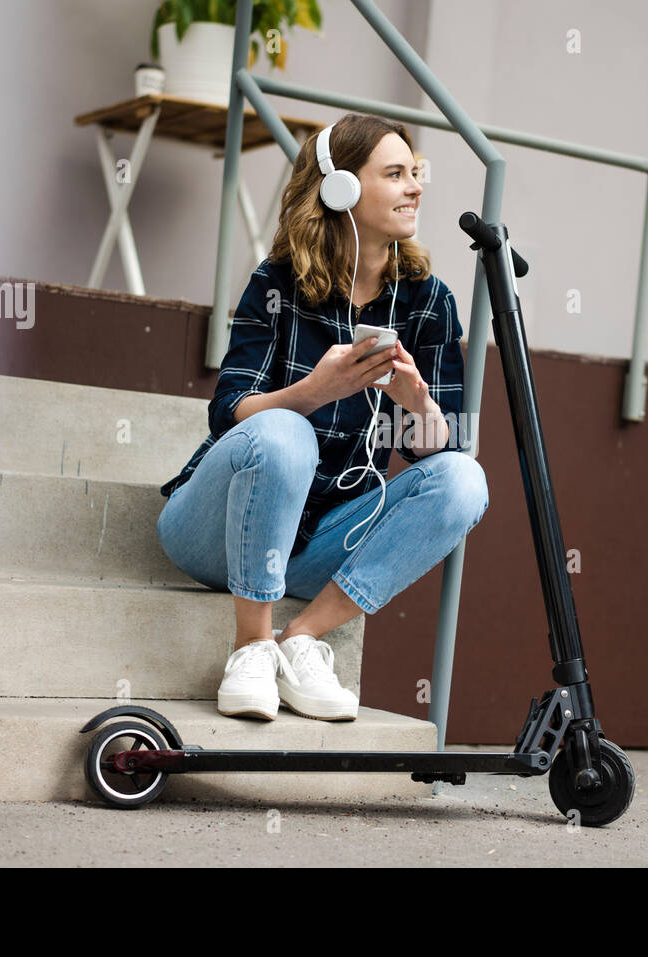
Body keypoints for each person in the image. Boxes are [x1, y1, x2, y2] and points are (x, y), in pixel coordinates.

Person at [156, 113, 488, 723]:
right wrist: (314, 390)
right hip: (211, 532)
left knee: (465, 477)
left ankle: (301, 639)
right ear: (341, 189)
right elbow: (229, 414)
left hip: (319, 544)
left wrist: (419, 407)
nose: (416, 187)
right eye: (395, 174)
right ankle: (251, 647)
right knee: (285, 430)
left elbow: (435, 453)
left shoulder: (429, 300)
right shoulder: (277, 282)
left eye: (415, 173)